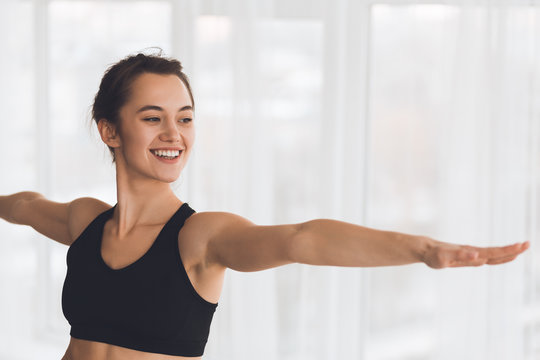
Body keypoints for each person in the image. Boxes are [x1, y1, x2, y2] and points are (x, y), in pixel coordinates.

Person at [0, 52, 530, 360]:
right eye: (152, 117)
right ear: (109, 130)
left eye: (185, 118)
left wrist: (423, 249)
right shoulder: (85, 221)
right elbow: (23, 204)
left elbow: (302, 238)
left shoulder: (200, 237)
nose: (174, 134)